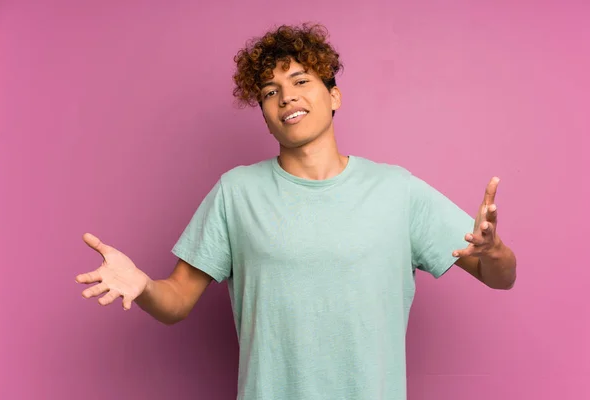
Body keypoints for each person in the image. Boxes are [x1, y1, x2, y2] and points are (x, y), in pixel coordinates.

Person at [75, 23, 517, 400]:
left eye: (301, 81)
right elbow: (176, 302)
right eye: (271, 91)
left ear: (334, 96)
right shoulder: (236, 192)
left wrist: (493, 250)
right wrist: (145, 287)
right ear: (265, 115)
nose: (287, 97)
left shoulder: (397, 190)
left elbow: (501, 277)